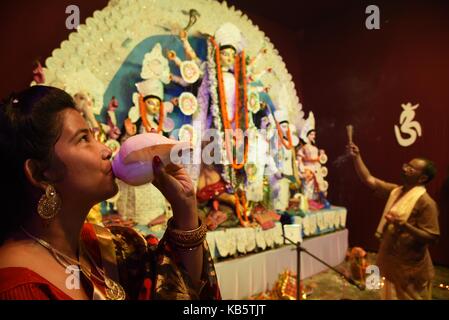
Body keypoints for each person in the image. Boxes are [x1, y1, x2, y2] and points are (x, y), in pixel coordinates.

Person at [0, 85, 221, 300]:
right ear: (40, 173)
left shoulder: (108, 246)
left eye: (94, 136)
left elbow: (180, 287)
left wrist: (185, 207)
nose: (106, 150)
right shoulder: (17, 287)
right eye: (83, 139)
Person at [347, 142, 440, 300]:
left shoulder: (426, 203)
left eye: (411, 168)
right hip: (391, 262)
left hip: (409, 269)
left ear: (423, 178)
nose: (405, 169)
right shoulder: (396, 191)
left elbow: (433, 237)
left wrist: (405, 226)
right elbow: (369, 179)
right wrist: (357, 157)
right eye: (406, 165)